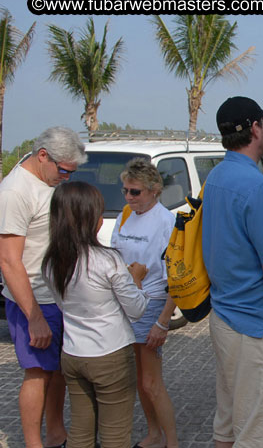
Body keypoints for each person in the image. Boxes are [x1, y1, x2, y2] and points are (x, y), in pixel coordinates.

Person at [203, 96, 263, 447]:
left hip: (226, 317)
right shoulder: (260, 188)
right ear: (255, 128)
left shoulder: (216, 176)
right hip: (256, 328)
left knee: (229, 425)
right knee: (261, 433)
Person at [42, 181, 149, 448]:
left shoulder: (51, 261)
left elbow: (61, 304)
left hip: (73, 353)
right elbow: (136, 309)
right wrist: (136, 279)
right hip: (110, 355)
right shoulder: (107, 260)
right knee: (115, 435)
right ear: (92, 220)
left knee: (80, 431)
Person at [0, 126, 86, 448]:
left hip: (58, 296)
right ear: (42, 156)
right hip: (33, 299)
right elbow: (8, 261)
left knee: (58, 370)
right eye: (63, 170)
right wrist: (33, 315)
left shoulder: (46, 179)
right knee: (37, 372)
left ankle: (55, 433)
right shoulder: (14, 192)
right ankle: (34, 443)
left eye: (72, 172)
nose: (66, 178)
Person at [110, 158, 178, 448]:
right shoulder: (126, 214)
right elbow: (114, 256)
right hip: (125, 301)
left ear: (154, 190)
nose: (128, 197)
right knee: (139, 380)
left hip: (151, 302)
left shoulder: (167, 222)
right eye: (125, 190)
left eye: (135, 192)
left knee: (152, 382)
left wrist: (162, 322)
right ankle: (153, 434)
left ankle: (172, 442)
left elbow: (175, 277)